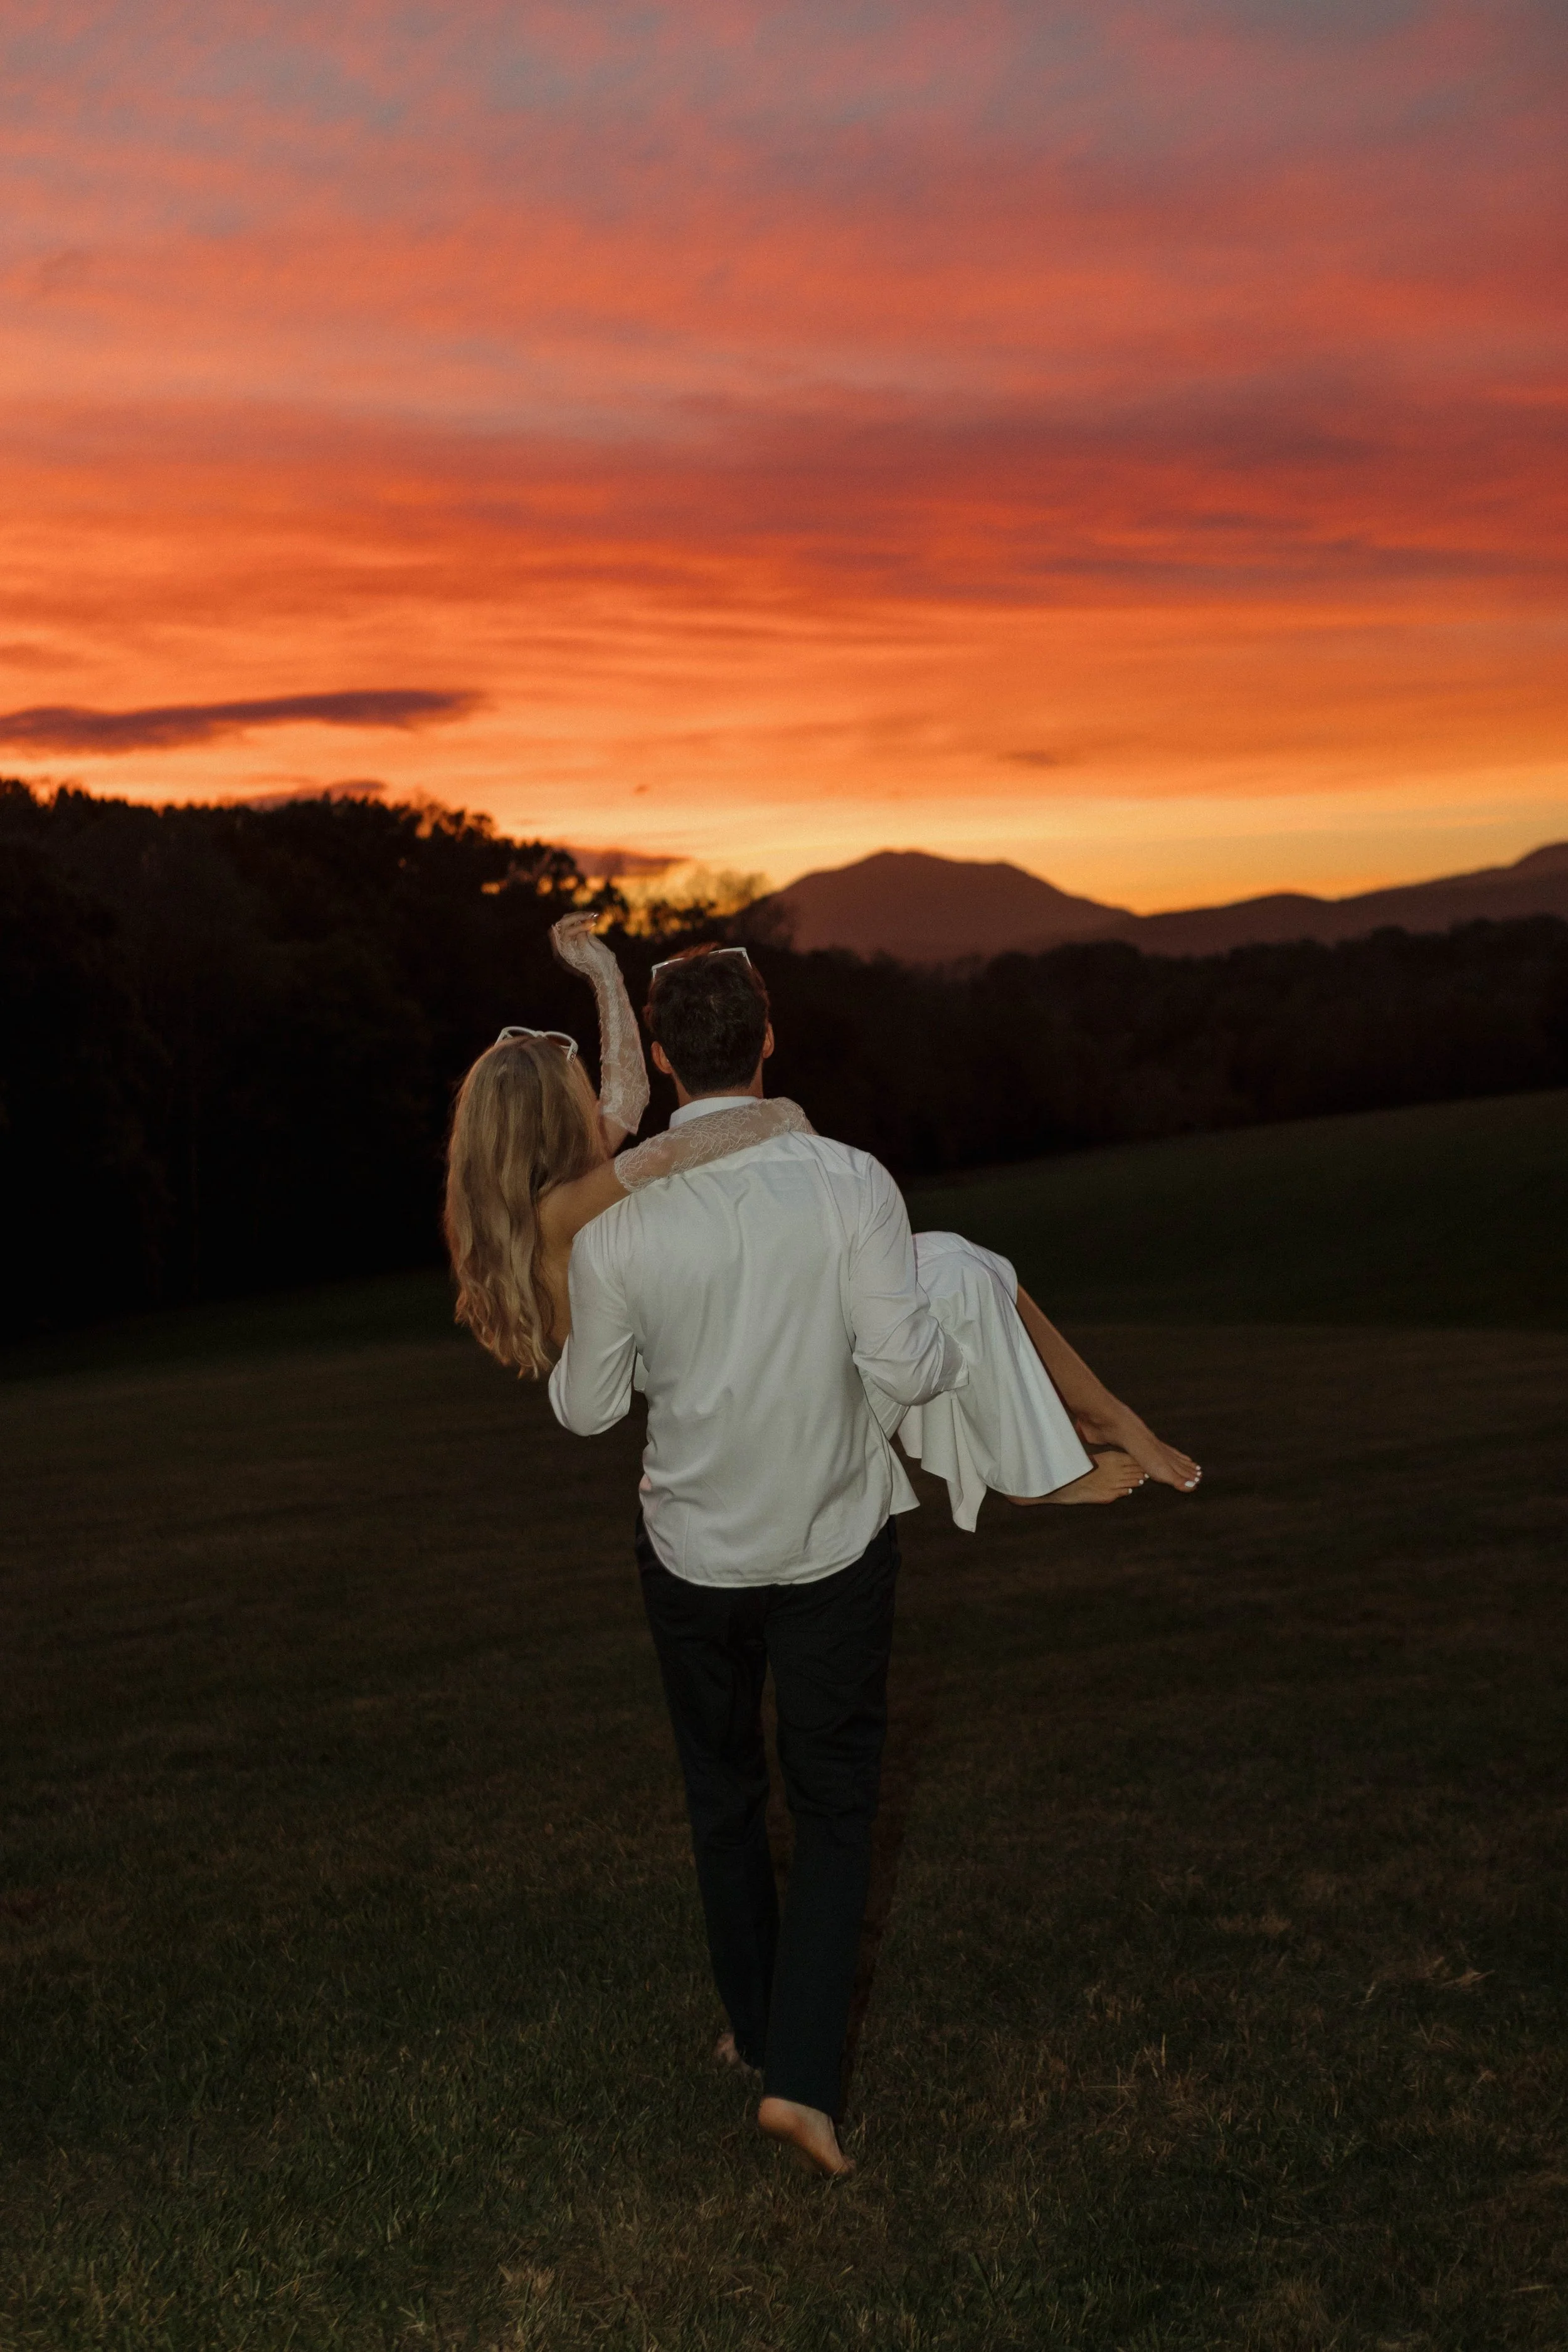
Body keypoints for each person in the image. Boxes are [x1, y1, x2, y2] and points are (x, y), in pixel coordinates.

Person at [442, 919, 1200, 2176]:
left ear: (677, 1069)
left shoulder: (612, 1224)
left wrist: (598, 994)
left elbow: (584, 1410)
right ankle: (799, 2081)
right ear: (768, 1037)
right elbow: (898, 1365)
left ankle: (755, 2033)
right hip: (833, 1544)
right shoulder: (847, 1178)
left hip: (691, 1556)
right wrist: (937, 1342)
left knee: (723, 1799)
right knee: (836, 1808)